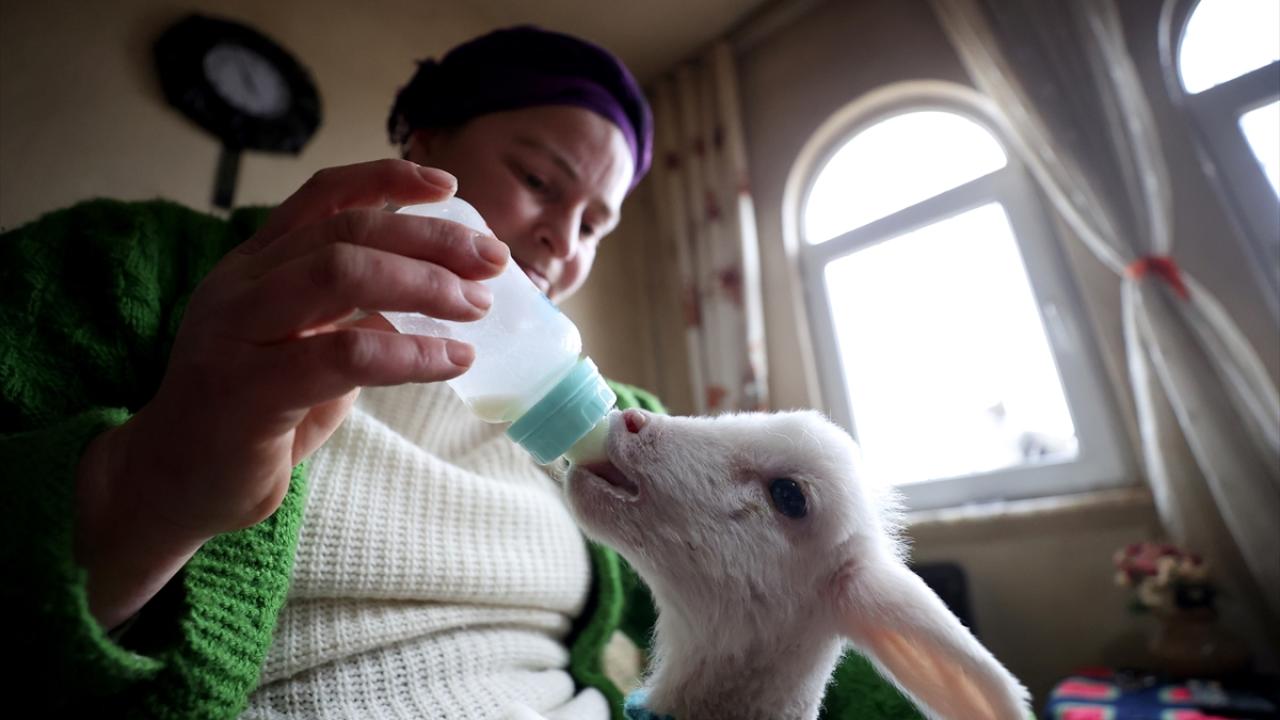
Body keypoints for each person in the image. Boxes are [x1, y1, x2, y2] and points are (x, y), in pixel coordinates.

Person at [2, 26, 663, 719]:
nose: (565, 240)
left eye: (594, 226)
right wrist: (150, 488)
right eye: (537, 181)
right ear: (426, 143)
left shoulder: (623, 422)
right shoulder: (120, 264)